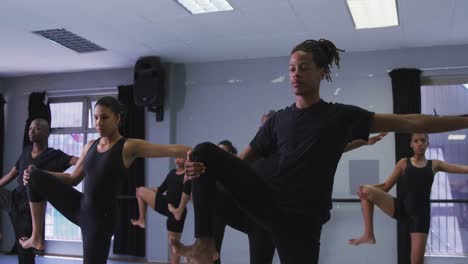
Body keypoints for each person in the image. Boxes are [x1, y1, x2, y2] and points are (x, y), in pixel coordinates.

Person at [171, 38, 468, 264]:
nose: (295, 74)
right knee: (202, 152)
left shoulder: (340, 116)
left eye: (304, 68)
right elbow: (240, 163)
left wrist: (463, 120)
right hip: (269, 204)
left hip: (302, 220)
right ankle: (205, 244)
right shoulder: (278, 120)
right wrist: (204, 171)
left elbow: (409, 121)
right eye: (291, 69)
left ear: (322, 72)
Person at [20, 96, 191, 264]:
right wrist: (43, 174)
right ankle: (36, 236)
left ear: (117, 118)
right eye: (95, 118)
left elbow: (170, 149)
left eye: (104, 117)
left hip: (101, 219)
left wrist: (196, 153)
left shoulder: (127, 147)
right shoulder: (90, 145)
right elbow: (73, 178)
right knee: (34, 175)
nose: (98, 123)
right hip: (80, 207)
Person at [349, 133, 468, 264]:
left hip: (420, 217)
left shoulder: (434, 164)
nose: (420, 143)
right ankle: (368, 235)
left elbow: (462, 169)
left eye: (423, 140)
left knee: (416, 262)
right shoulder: (404, 162)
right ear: (411, 144)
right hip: (402, 208)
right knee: (365, 190)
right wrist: (366, 188)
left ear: (428, 143)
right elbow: (386, 186)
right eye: (416, 141)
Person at [0, 117, 78, 264]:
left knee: (24, 251)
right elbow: (11, 175)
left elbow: (78, 161)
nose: (31, 131)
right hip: (13, 199)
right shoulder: (26, 152)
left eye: (36, 128)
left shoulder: (54, 155)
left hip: (29, 209)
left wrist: (94, 157)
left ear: (47, 132)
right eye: (30, 128)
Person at [130, 156, 191, 264]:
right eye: (176, 157)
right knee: (140, 191)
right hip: (165, 204)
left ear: (187, 159)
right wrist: (146, 190)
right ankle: (141, 220)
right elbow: (160, 189)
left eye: (180, 157)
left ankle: (189, 255)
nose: (177, 159)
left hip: (176, 211)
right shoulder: (172, 173)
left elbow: (190, 195)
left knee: (173, 247)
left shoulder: (188, 175)